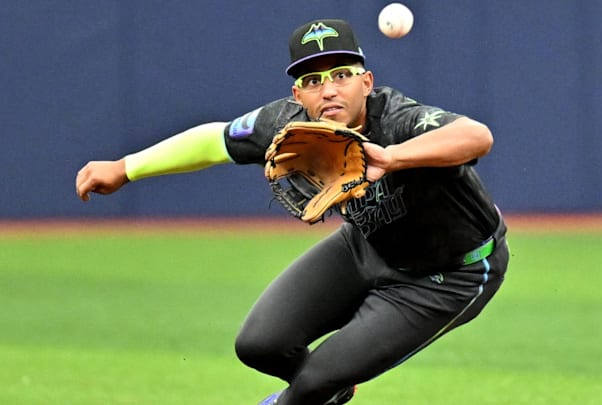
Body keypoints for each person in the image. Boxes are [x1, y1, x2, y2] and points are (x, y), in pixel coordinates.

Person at [75, 18, 510, 405]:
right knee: (261, 345)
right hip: (366, 248)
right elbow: (214, 139)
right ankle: (330, 389)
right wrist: (125, 167)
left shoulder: (397, 117)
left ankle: (312, 392)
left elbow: (476, 136)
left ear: (367, 82)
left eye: (342, 74)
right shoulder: (289, 124)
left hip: (448, 275)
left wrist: (393, 158)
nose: (330, 88)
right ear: (298, 93)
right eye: (314, 79)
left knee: (308, 388)